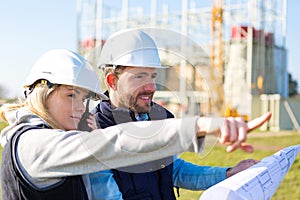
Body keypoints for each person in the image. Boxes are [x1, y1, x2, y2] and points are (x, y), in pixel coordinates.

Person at [0, 49, 256, 200]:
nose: (80, 107)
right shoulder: (33, 144)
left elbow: (165, 165)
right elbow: (118, 142)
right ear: (42, 93)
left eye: (84, 97)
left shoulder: (61, 135)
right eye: (70, 95)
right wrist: (198, 126)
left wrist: (224, 174)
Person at [90, 29, 271, 200]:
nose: (151, 87)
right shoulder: (93, 129)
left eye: (153, 76)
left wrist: (228, 173)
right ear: (112, 81)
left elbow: (174, 170)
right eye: (139, 77)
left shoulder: (160, 117)